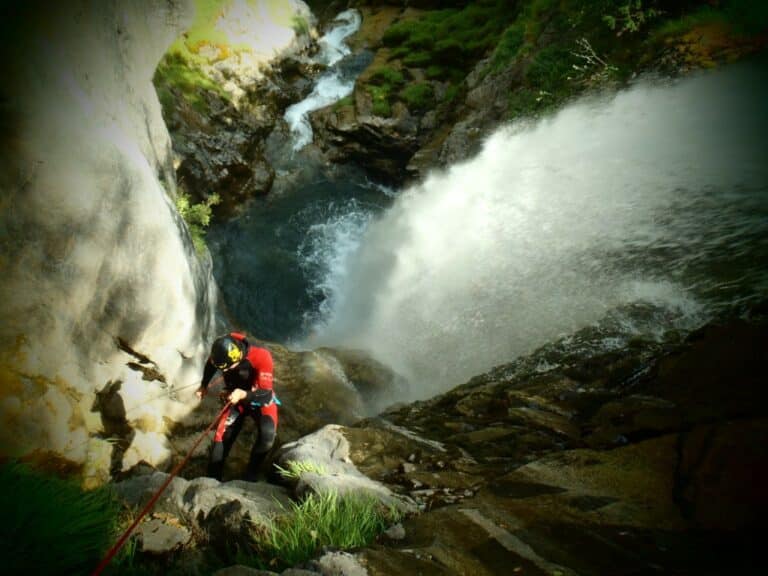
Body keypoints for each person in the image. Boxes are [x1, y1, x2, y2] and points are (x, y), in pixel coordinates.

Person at [196, 332, 278, 481]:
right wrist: (203, 385)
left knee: (268, 433)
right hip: (235, 398)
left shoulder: (261, 356)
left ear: (238, 357)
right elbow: (211, 364)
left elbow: (266, 394)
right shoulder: (223, 349)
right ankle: (212, 480)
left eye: (228, 367)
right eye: (223, 368)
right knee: (220, 440)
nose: (225, 371)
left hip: (257, 397)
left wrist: (244, 395)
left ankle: (251, 474)